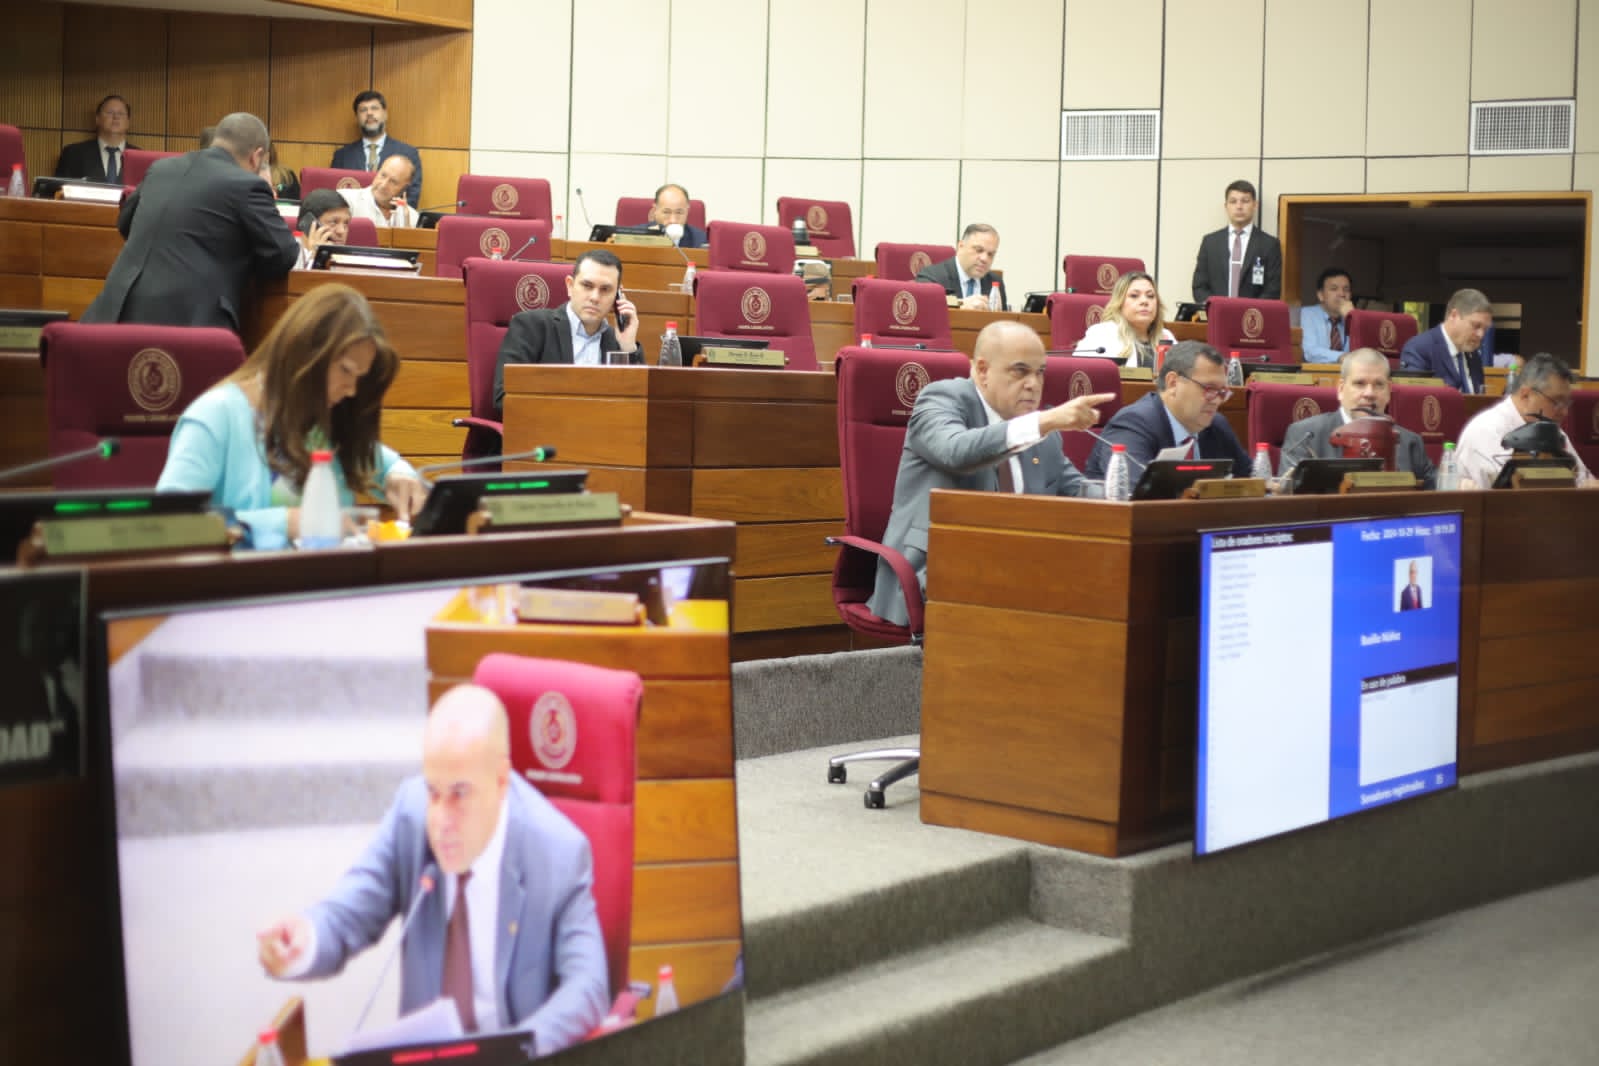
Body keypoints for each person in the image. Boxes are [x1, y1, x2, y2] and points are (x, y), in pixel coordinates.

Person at [256, 684, 608, 1054]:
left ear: (501, 782)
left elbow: (588, 985)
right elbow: (347, 916)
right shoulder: (411, 818)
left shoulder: (557, 852)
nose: (441, 820)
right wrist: (302, 940)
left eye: (459, 794)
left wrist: (518, 1052)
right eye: (434, 792)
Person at [866, 321, 1114, 626]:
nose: (1034, 384)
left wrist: (1137, 494)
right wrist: (1043, 422)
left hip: (1015, 576)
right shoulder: (941, 399)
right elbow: (955, 451)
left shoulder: (1041, 431)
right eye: (1020, 371)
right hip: (932, 575)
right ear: (982, 370)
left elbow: (1076, 491)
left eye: (1040, 373)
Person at [156, 284, 428, 550]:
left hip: (325, 583)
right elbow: (169, 525)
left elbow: (378, 459)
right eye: (345, 370)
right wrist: (283, 523)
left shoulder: (318, 415)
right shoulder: (215, 416)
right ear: (306, 356)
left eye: (360, 377)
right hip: (239, 588)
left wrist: (398, 474)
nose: (352, 390)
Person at [80, 112, 298, 330]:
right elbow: (282, 254)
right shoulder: (247, 184)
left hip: (115, 309)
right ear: (257, 156)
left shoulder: (161, 168)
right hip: (186, 323)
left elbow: (125, 223)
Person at [492, 249, 643, 415]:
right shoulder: (531, 326)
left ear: (618, 296)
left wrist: (628, 347)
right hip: (545, 434)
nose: (594, 297)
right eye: (587, 286)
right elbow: (504, 399)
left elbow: (639, 406)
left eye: (605, 289)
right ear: (570, 286)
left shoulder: (617, 343)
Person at [1085, 340, 1252, 478]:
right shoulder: (1133, 424)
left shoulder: (1216, 425)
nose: (1216, 400)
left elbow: (1252, 483)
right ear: (1173, 383)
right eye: (1209, 389)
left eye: (1222, 392)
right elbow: (1137, 498)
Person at [1278, 348, 1437, 488]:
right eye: (1360, 384)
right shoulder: (1305, 436)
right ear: (1340, 389)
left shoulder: (1410, 442)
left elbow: (1437, 493)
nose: (1369, 393)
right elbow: (1288, 499)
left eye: (1379, 384)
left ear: (1389, 391)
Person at [1455, 351, 1592, 489]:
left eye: (1567, 404)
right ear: (1526, 395)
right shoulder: (1486, 430)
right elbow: (1505, 491)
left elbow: (1584, 481)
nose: (1564, 412)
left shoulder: (1553, 432)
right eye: (1557, 403)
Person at [1191, 179, 1282, 303]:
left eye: (1245, 201)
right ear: (1226, 206)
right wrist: (1218, 308)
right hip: (1217, 316)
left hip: (1252, 318)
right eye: (1233, 201)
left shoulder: (1269, 244)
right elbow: (1199, 286)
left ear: (1255, 205)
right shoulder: (1210, 243)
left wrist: (1246, 311)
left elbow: (1273, 290)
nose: (1239, 206)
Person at [331, 90, 422, 205]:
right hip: (353, 220)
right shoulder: (342, 155)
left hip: (391, 220)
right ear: (357, 117)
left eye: (374, 108)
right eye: (363, 110)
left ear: (385, 114)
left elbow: (411, 198)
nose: (369, 113)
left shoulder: (408, 154)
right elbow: (334, 197)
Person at [1399, 288, 1492, 394]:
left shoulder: (1474, 356)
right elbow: (1413, 399)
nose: (1481, 334)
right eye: (1476, 326)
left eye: (1485, 328)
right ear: (1454, 316)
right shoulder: (1419, 349)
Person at [1078, 271, 1176, 368]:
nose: (1144, 301)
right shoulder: (1102, 334)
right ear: (1119, 303)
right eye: (1134, 296)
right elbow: (1083, 372)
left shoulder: (1167, 337)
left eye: (1150, 296)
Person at [916, 224, 1007, 311]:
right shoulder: (932, 276)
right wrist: (960, 305)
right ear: (960, 246)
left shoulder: (995, 283)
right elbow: (924, 308)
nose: (985, 259)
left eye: (990, 254)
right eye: (979, 250)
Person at [53, 94, 139, 183]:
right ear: (97, 119)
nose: (116, 117)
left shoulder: (140, 158)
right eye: (110, 112)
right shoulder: (73, 154)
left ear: (128, 122)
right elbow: (58, 191)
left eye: (121, 113)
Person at [340, 154, 418, 229]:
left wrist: (408, 232)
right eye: (383, 175)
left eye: (393, 182)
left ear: (404, 188)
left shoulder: (412, 217)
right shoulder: (346, 200)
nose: (383, 185)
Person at [1299, 267, 1355, 363]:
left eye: (1346, 289)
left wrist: (1353, 319)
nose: (1342, 294)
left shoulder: (1352, 319)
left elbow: (1363, 352)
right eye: (1334, 289)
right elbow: (1309, 351)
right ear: (1321, 295)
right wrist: (1341, 357)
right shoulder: (1306, 314)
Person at [292, 188, 353, 269]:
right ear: (308, 223)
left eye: (346, 223)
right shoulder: (286, 254)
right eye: (333, 222)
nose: (341, 231)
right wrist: (315, 259)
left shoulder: (344, 260)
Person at [650, 183, 706, 248]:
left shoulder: (701, 241)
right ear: (655, 210)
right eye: (666, 212)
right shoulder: (637, 236)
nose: (673, 220)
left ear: (687, 211)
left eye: (679, 212)